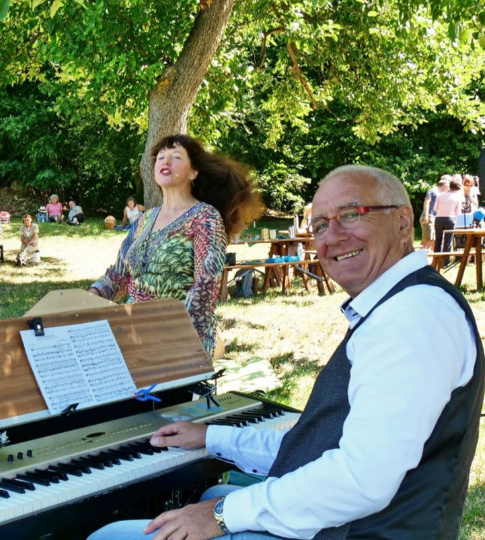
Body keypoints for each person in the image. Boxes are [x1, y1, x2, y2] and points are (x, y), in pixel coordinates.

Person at [88, 165, 483, 540]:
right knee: (210, 497)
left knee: (108, 535)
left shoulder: (412, 317)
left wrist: (221, 516)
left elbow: (362, 480)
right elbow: (314, 447)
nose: (332, 237)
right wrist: (213, 438)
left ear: (401, 221)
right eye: (320, 225)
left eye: (350, 215)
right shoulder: (398, 305)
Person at [88, 134, 260, 358]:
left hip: (181, 345)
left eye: (176, 156)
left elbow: (204, 289)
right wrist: (89, 297)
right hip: (130, 335)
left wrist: (170, 344)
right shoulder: (144, 219)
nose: (165, 162)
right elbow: (120, 276)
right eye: (160, 157)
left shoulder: (205, 218)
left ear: (194, 172)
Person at [433, 177, 462, 259]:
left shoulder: (440, 195)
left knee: (438, 239)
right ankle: (445, 260)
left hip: (438, 218)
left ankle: (436, 259)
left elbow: (435, 208)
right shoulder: (457, 197)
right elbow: (457, 212)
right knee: (448, 241)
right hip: (450, 219)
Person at [421, 176, 447, 251]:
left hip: (436, 217)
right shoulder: (433, 191)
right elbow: (426, 202)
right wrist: (426, 216)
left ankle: (434, 258)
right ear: (444, 185)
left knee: (434, 239)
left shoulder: (442, 194)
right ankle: (419, 257)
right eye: (448, 186)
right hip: (429, 216)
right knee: (428, 239)